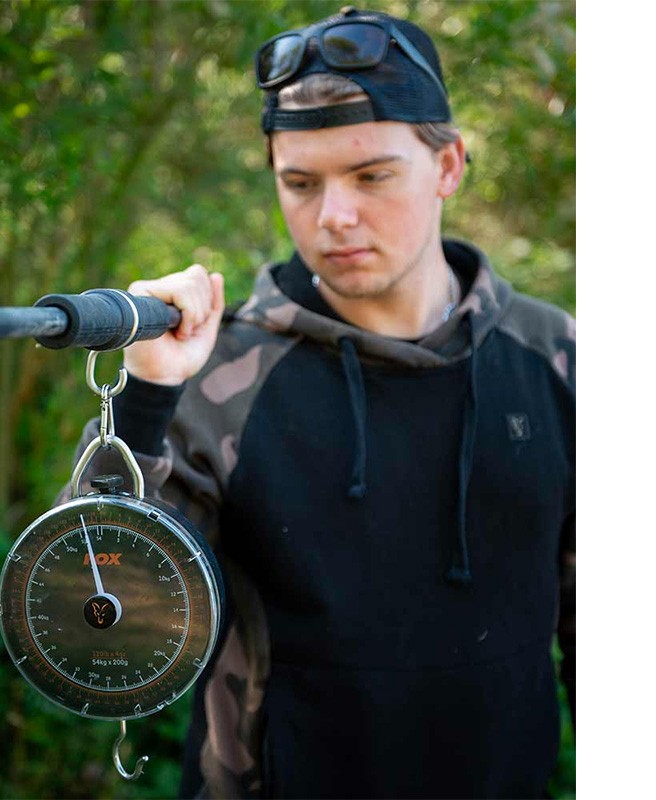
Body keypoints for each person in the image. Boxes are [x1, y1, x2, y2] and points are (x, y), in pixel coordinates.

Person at [66, 6, 575, 798]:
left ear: (448, 166)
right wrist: (146, 396)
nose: (333, 216)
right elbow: (101, 625)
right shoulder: (219, 374)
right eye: (300, 183)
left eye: (372, 176)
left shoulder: (556, 357)